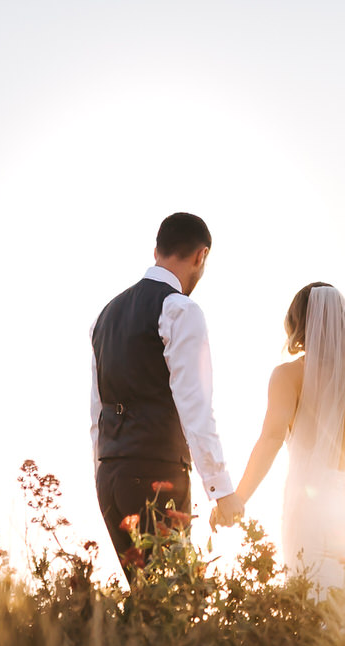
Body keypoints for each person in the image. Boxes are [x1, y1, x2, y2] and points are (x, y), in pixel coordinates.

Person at [90, 212, 245, 577]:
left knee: (147, 606)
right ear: (200, 256)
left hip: (111, 478)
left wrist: (102, 474)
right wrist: (221, 491)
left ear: (157, 250)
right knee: (172, 605)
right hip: (157, 474)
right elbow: (196, 407)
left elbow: (96, 411)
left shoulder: (104, 316)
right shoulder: (179, 310)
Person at [223, 282, 345, 606]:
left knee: (310, 614)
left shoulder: (289, 376)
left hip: (310, 508)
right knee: (343, 615)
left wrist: (239, 497)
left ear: (298, 324)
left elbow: (272, 438)